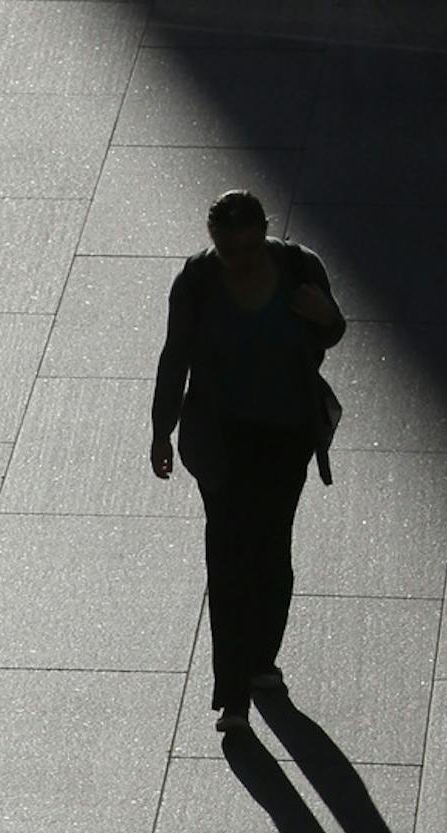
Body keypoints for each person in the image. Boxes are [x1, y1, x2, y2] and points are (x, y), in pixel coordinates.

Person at [150, 188, 346, 738]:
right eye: (225, 248)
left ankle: (261, 658)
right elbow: (176, 357)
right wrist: (161, 431)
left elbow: (331, 330)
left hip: (286, 435)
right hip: (221, 437)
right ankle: (232, 693)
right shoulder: (197, 281)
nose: (235, 259)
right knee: (228, 555)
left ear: (264, 233)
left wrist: (326, 315)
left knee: (271, 547)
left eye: (245, 247)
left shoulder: (299, 266)